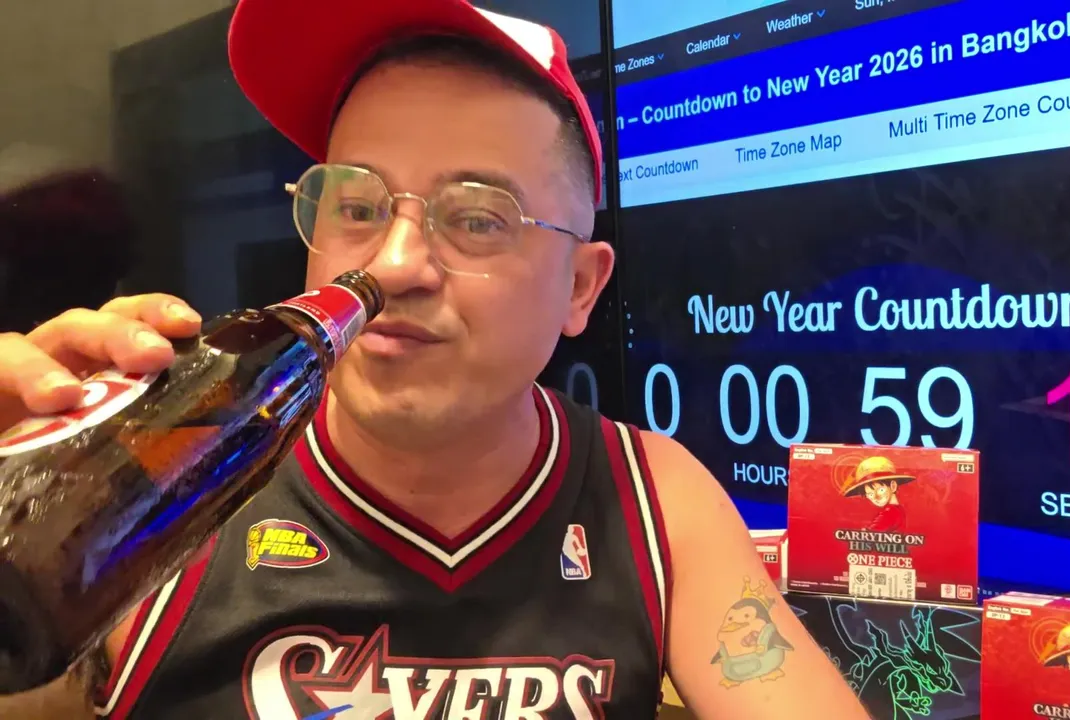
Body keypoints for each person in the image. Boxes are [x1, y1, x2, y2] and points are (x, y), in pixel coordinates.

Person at [0, 1, 868, 718]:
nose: (392, 266)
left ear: (580, 287)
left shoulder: (653, 500)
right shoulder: (162, 472)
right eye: (356, 205)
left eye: (478, 218)